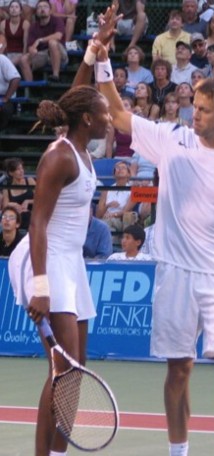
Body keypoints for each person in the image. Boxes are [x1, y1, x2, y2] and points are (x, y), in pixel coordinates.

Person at [94, 38, 214, 456]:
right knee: (179, 372)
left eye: (205, 110)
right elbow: (118, 114)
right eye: (195, 106)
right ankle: (179, 451)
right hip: (175, 273)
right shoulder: (171, 137)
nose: (195, 114)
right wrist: (102, 62)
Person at [8, 84, 110, 456]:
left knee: (75, 368)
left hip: (71, 261)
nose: (110, 119)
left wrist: (94, 50)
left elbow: (80, 90)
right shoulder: (59, 157)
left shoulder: (82, 149)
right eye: (105, 114)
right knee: (62, 368)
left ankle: (58, 454)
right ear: (87, 118)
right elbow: (36, 225)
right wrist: (40, 285)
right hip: (44, 258)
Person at [19, 0, 68, 82]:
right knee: (23, 59)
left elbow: (58, 36)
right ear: (36, 12)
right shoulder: (33, 26)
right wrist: (32, 50)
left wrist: (40, 40)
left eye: (45, 7)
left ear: (50, 10)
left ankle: (55, 75)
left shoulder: (57, 21)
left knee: (52, 42)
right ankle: (31, 87)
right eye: (39, 7)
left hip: (59, 53)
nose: (42, 9)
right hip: (43, 55)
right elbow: (30, 46)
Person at [2, 157, 36, 230]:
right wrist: (13, 204)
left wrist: (28, 201)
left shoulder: (30, 181)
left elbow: (41, 199)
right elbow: (5, 207)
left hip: (32, 216)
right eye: (18, 169)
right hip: (17, 218)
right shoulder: (7, 188)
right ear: (11, 173)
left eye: (22, 168)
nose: (21, 171)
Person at [0, 0, 30, 67]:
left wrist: (23, 56)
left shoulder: (25, 23)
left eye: (16, 7)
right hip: (7, 53)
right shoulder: (3, 24)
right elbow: (3, 42)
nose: (14, 9)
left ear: (20, 11)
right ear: (9, 10)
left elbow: (25, 43)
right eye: (12, 7)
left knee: (8, 64)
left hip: (20, 54)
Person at [0, 53, 20, 130]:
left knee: (3, 109)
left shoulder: (2, 59)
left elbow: (16, 78)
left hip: (5, 100)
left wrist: (6, 97)